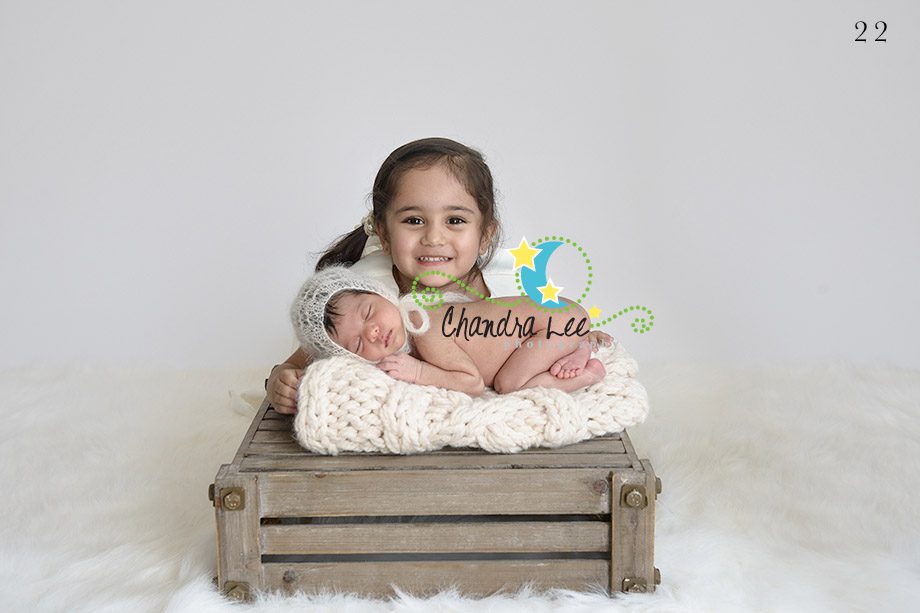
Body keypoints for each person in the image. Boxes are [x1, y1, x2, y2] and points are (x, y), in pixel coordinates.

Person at [268, 137, 611, 412]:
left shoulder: (502, 280)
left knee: (515, 382)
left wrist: (584, 337)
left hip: (539, 341)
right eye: (413, 220)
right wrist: (278, 379)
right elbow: (311, 350)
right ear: (384, 234)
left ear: (486, 233)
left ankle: (582, 362)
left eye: (455, 221)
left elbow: (547, 320)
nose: (434, 237)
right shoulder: (368, 288)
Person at [291, 265, 607, 396]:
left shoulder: (424, 327)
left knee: (510, 384)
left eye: (369, 313)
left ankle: (586, 366)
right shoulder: (414, 331)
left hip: (551, 323)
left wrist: (417, 372)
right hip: (549, 322)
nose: (373, 333)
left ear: (380, 294)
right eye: (358, 344)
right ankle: (574, 342)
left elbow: (470, 383)